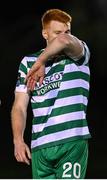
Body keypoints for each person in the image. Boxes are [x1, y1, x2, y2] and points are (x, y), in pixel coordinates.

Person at [11, 9, 91, 179]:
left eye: (68, 31)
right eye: (57, 32)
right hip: (40, 146)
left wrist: (42, 61)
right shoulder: (28, 62)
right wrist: (18, 140)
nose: (64, 36)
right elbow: (19, 106)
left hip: (71, 141)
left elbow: (64, 41)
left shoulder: (79, 54)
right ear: (44, 33)